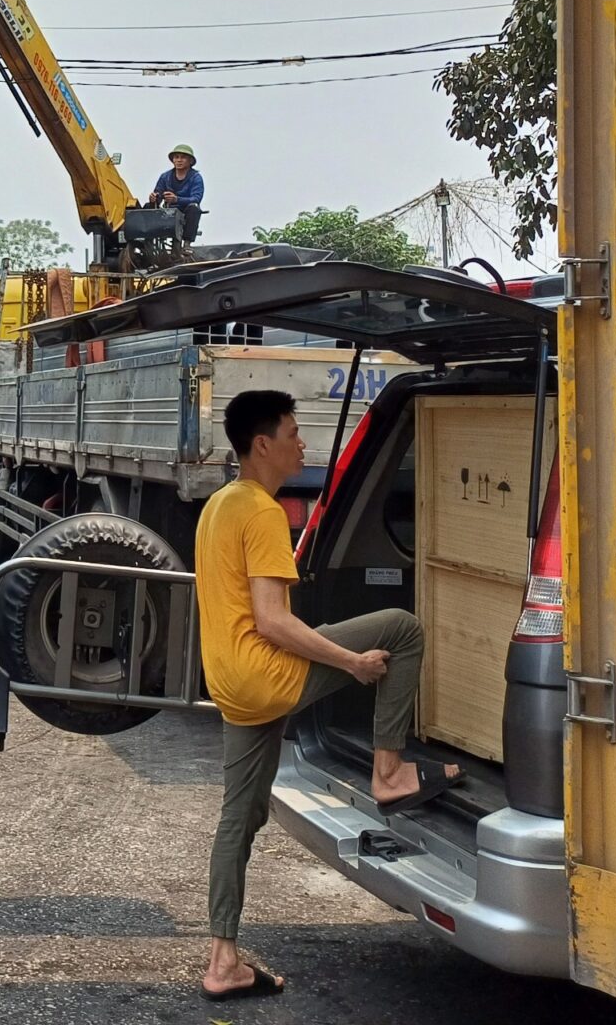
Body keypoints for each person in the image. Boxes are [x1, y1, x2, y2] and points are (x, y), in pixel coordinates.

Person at [195, 389, 458, 1003]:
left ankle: (223, 959)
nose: (302, 443)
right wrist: (352, 662)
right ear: (263, 445)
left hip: (231, 685)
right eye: (292, 433)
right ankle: (388, 773)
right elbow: (273, 621)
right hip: (266, 674)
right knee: (400, 628)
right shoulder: (261, 511)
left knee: (241, 814)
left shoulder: (219, 506)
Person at [150, 144, 204, 235]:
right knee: (147, 207)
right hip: (168, 211)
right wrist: (154, 198)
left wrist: (177, 199)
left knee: (194, 209)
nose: (179, 160)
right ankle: (145, 240)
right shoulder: (165, 177)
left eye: (183, 157)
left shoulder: (196, 177)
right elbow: (158, 194)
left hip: (186, 211)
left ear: (190, 161)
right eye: (176, 157)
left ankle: (187, 244)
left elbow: (196, 198)